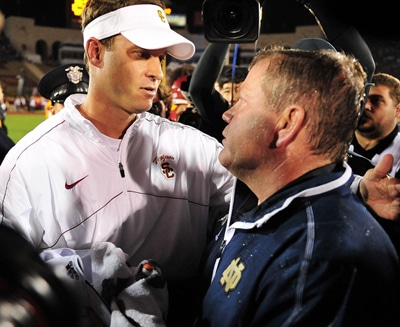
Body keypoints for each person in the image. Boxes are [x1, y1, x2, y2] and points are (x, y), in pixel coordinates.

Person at [0, 1, 233, 325]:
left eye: (161, 57)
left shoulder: (196, 150)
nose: (157, 72)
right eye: (141, 54)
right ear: (95, 52)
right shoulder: (28, 163)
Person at [195, 46, 400, 326]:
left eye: (243, 100)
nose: (227, 114)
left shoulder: (318, 261)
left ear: (287, 123)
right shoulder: (273, 209)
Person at [189, 43, 247, 142]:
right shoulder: (222, 117)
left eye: (238, 90)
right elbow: (200, 90)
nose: (233, 97)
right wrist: (222, 38)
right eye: (227, 91)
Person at [348, 72, 400, 178]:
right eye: (362, 99)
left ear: (398, 110)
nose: (366, 106)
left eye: (376, 101)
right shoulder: (331, 142)